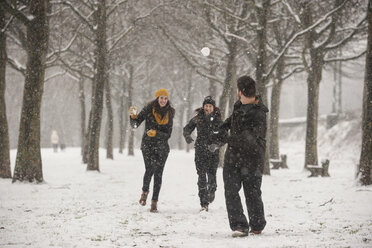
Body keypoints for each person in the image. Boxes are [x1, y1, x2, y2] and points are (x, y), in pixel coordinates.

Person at [212, 76, 268, 237]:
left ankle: (257, 224)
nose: (237, 92)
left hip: (252, 159)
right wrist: (220, 129)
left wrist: (225, 139)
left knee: (252, 192)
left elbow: (248, 138)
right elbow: (232, 120)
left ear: (241, 92)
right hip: (233, 157)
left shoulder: (259, 113)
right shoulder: (239, 105)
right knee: (230, 190)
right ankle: (239, 225)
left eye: (238, 89)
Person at [129, 88, 175, 213]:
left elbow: (168, 134)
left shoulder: (170, 113)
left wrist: (156, 133)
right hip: (147, 146)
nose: (163, 100)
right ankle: (145, 191)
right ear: (157, 98)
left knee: (158, 174)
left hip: (162, 148)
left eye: (165, 98)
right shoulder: (148, 109)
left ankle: (154, 202)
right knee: (150, 169)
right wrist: (132, 116)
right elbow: (135, 125)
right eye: (161, 98)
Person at [183, 96, 223, 212]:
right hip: (200, 151)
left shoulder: (218, 121)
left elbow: (224, 137)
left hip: (213, 153)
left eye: (210, 106)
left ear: (214, 108)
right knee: (201, 177)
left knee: (211, 176)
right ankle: (203, 204)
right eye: (206, 106)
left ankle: (212, 190)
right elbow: (187, 128)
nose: (208, 108)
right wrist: (187, 136)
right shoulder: (198, 119)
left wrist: (216, 145)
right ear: (203, 106)